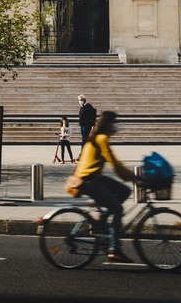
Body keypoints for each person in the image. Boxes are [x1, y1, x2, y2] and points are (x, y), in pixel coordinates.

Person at [72, 109, 136, 264]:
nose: (117, 125)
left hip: (94, 177)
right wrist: (134, 177)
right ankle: (114, 249)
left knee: (125, 191)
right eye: (115, 122)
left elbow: (115, 164)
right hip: (88, 180)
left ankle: (102, 217)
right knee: (118, 209)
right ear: (108, 124)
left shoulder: (97, 137)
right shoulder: (101, 139)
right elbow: (115, 164)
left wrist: (130, 178)